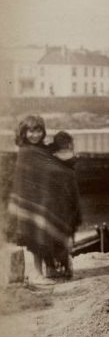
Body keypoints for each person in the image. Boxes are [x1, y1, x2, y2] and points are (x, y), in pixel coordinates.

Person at [7, 119, 81, 285]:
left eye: (38, 130)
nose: (35, 135)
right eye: (31, 131)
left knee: (47, 234)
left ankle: (51, 268)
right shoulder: (26, 152)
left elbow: (56, 162)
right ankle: (36, 274)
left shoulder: (43, 149)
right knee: (36, 239)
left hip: (46, 201)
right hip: (32, 200)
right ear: (23, 133)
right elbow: (48, 169)